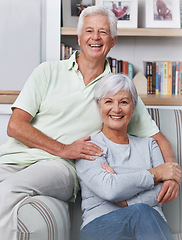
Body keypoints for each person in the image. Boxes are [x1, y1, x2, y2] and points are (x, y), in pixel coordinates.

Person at [0, 5, 180, 240]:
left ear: (113, 40)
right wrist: (65, 147)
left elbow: (158, 138)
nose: (95, 38)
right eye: (89, 31)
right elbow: (15, 126)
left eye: (103, 32)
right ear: (79, 36)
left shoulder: (114, 90)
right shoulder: (47, 72)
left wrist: (173, 173)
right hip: (14, 159)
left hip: (58, 166)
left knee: (8, 190)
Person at [75, 73, 181, 240]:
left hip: (149, 227)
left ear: (133, 106)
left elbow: (162, 193)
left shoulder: (150, 145)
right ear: (99, 105)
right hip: (100, 228)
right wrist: (156, 173)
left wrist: (124, 199)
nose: (116, 109)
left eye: (124, 102)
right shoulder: (89, 147)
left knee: (142, 212)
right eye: (108, 101)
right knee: (141, 211)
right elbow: (109, 189)